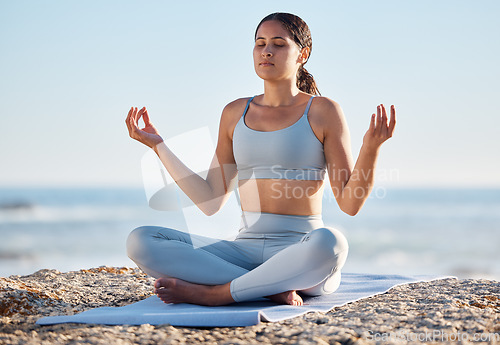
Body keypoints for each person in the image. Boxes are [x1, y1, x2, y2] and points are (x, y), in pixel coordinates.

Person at [125, 12, 396, 307]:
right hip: (243, 251)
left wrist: (371, 147)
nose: (267, 51)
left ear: (302, 54)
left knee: (332, 243)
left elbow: (349, 203)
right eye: (260, 43)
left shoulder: (323, 111)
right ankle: (267, 289)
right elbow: (210, 200)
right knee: (141, 240)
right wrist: (159, 146)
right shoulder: (234, 112)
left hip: (301, 250)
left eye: (279, 44)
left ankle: (217, 293)